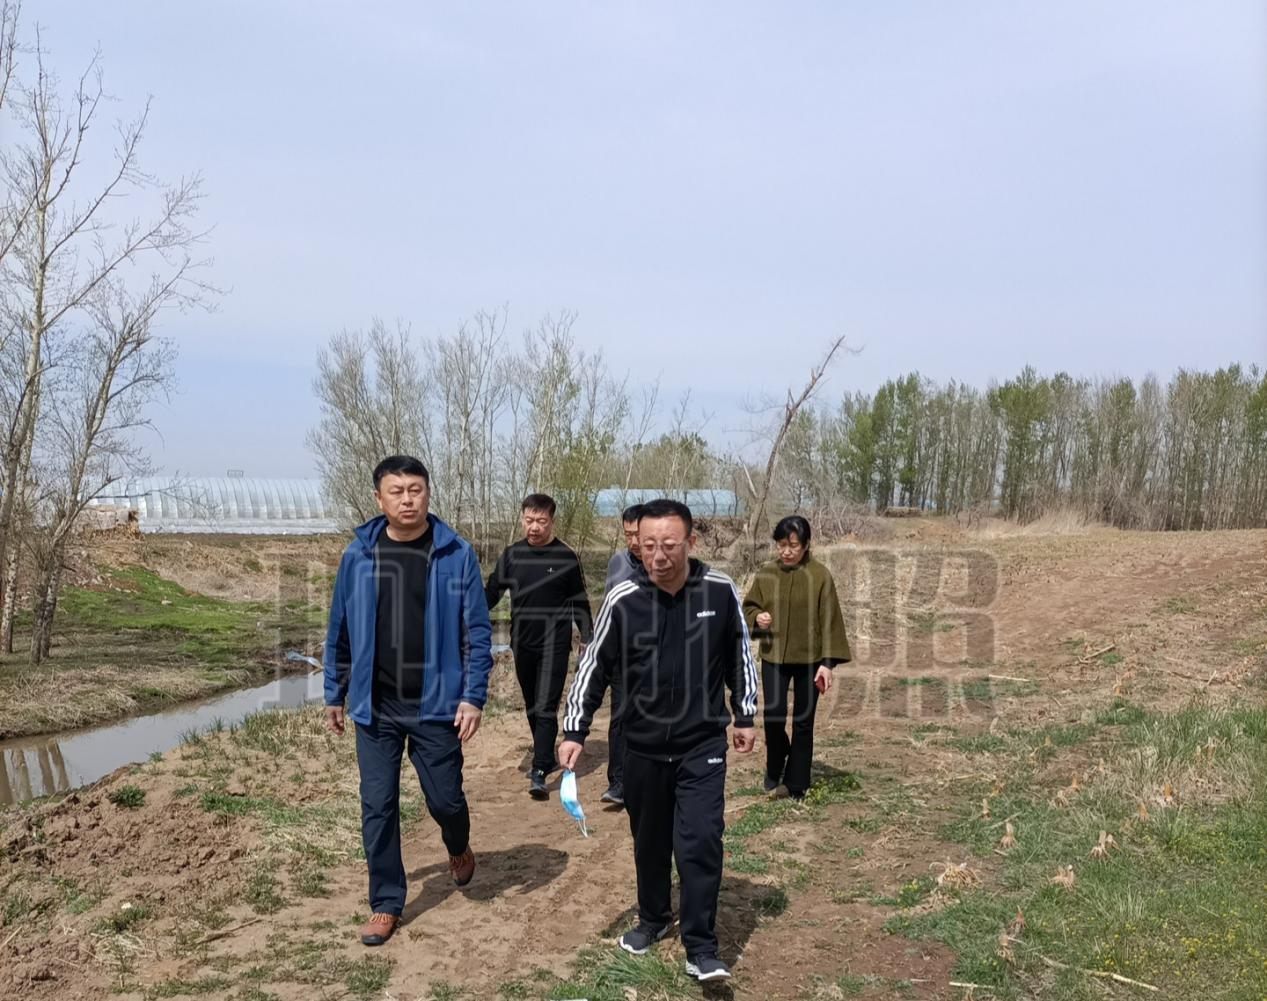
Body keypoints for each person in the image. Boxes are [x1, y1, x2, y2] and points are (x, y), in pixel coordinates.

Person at [560, 499, 757, 984]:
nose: (658, 555)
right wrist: (574, 729)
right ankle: (652, 918)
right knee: (649, 843)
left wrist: (745, 715)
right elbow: (593, 665)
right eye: (648, 546)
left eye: (669, 545)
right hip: (642, 746)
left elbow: (740, 654)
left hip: (701, 744)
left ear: (690, 542)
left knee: (700, 841)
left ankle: (701, 947)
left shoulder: (719, 589)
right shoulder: (623, 598)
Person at [323, 455, 493, 947]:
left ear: (428, 493)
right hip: (376, 706)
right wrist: (335, 691)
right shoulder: (358, 556)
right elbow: (339, 628)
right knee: (377, 805)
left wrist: (472, 697)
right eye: (396, 491)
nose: (407, 500)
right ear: (379, 498)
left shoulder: (456, 553)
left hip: (436, 704)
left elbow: (477, 632)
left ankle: (458, 846)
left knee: (446, 800)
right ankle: (386, 901)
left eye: (415, 490)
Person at [485, 493, 594, 799]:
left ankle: (540, 770)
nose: (534, 527)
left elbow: (580, 602)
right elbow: (490, 594)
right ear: (522, 519)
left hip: (555, 644)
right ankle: (544, 751)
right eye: (529, 520)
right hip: (522, 642)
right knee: (533, 706)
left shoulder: (566, 557)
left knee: (545, 706)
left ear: (552, 522)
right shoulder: (512, 555)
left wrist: (587, 638)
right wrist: (465, 614)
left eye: (541, 521)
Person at [742, 515, 851, 800]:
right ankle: (776, 763)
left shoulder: (820, 576)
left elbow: (831, 621)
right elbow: (748, 607)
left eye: (793, 546)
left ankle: (797, 781)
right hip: (774, 656)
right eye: (781, 545)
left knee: (804, 721)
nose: (787, 551)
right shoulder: (767, 573)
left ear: (806, 545)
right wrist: (757, 618)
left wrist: (827, 664)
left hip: (810, 660)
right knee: (774, 716)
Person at [596, 502, 646, 806]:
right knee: (620, 718)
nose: (634, 541)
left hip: (654, 656)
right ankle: (618, 782)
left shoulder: (663, 563)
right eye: (628, 535)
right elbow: (607, 606)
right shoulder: (617, 563)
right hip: (621, 656)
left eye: (638, 534)